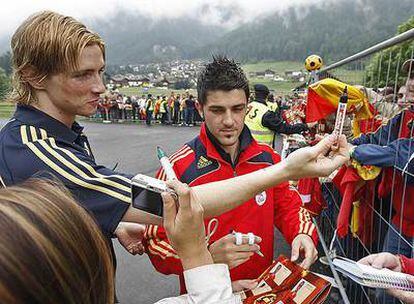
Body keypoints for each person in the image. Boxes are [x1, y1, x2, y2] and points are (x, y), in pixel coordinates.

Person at [144, 56, 320, 294]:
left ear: (247, 106)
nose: (229, 121)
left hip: (261, 291)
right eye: (217, 110)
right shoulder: (176, 169)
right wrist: (204, 257)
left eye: (237, 109)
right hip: (207, 295)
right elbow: (155, 241)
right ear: (199, 108)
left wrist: (302, 234)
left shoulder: (269, 159)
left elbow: (290, 205)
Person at [348, 59, 414, 303]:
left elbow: (403, 153)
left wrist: (352, 153)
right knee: (384, 286)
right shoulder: (405, 117)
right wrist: (345, 144)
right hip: (402, 220)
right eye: (410, 79)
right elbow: (378, 138)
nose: (408, 89)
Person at [245, 84, 315, 148]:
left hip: (246, 147)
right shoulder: (266, 112)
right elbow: (286, 129)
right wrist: (306, 126)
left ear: (254, 95)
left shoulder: (248, 107)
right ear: (266, 96)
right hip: (261, 151)